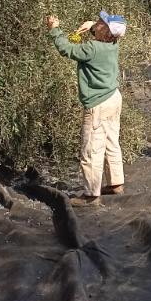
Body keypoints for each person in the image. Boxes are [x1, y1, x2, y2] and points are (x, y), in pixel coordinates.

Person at [46, 11, 127, 207]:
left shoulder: (92, 48)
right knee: (111, 142)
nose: (97, 22)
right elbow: (102, 34)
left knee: (91, 149)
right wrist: (91, 26)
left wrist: (54, 29)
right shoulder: (113, 45)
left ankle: (91, 195)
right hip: (113, 98)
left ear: (105, 30)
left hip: (98, 104)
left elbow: (67, 50)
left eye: (101, 22)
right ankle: (116, 183)